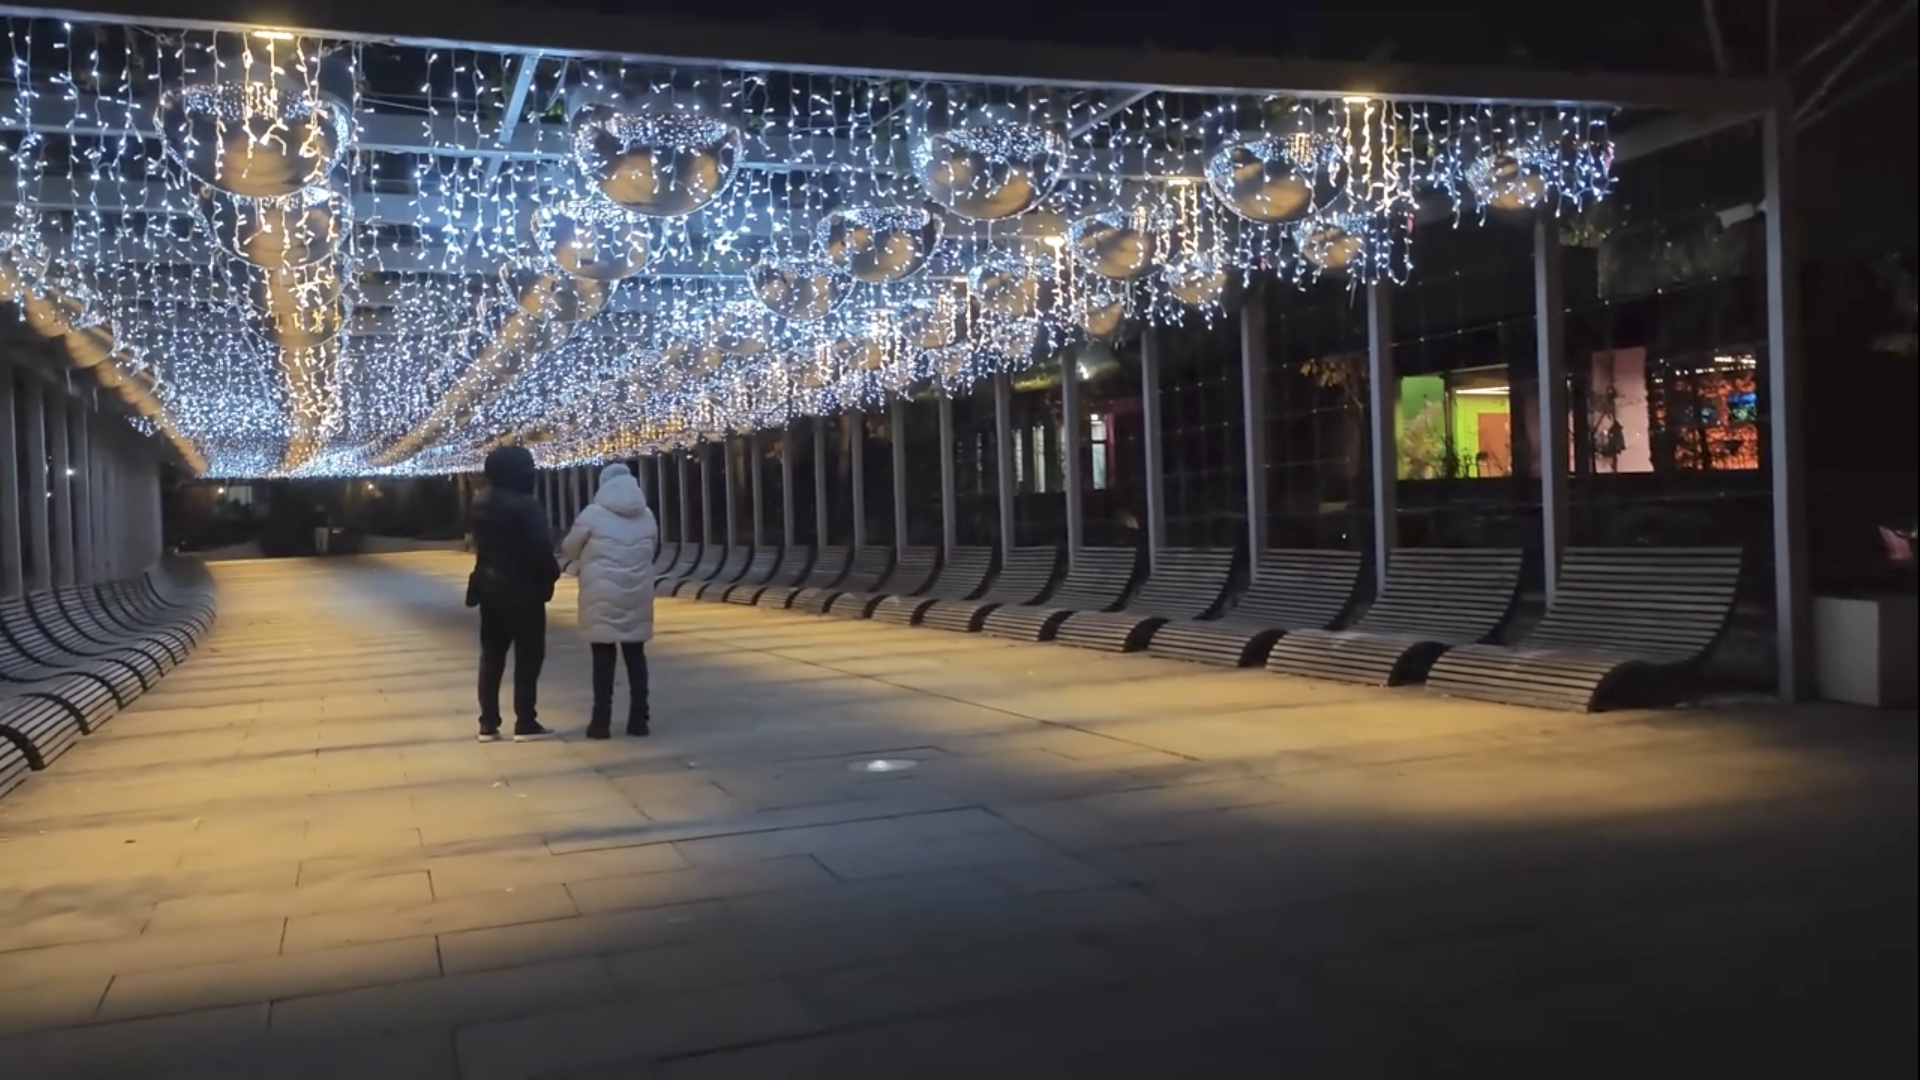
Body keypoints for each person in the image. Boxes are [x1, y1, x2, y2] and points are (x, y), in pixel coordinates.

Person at [465, 446, 561, 742]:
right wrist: (551, 573)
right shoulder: (526, 506)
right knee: (529, 656)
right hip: (524, 590)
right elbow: (538, 550)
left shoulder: (480, 502)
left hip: (491, 588)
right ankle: (525, 720)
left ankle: (488, 722)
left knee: (492, 656)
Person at [559, 462, 658, 739]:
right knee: (635, 657)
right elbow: (653, 547)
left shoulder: (593, 515)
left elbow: (570, 549)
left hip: (601, 595)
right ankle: (639, 719)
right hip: (637, 592)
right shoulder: (647, 515)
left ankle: (600, 721)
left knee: (603, 660)